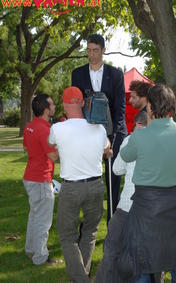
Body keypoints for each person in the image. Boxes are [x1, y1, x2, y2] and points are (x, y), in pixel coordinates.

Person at [116, 85, 176, 283]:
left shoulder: (139, 136)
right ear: (173, 106)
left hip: (147, 210)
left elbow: (125, 155)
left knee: (142, 266)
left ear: (150, 107)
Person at [47, 86, 111, 283]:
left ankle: (81, 279)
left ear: (65, 106)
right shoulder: (99, 128)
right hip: (96, 185)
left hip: (72, 187)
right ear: (83, 103)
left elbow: (51, 145)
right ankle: (82, 275)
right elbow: (107, 147)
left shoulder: (57, 128)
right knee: (90, 232)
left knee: (67, 237)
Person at [72, 33, 128, 223]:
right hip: (88, 132)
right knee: (87, 178)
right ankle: (87, 225)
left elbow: (120, 107)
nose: (92, 55)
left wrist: (112, 137)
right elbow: (76, 104)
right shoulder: (77, 73)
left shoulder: (115, 74)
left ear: (103, 50)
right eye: (88, 51)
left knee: (113, 179)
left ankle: (112, 223)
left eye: (96, 51)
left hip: (113, 130)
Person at [95, 111, 148, 283]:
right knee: (149, 251)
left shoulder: (130, 139)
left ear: (138, 125)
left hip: (127, 205)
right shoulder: (161, 141)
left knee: (112, 247)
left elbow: (117, 169)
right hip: (150, 207)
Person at [23, 94, 60, 265]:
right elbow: (53, 156)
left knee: (34, 215)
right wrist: (63, 145)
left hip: (30, 176)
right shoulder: (44, 130)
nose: (54, 107)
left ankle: (31, 249)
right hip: (40, 179)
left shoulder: (30, 126)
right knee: (43, 221)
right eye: (52, 105)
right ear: (46, 110)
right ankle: (40, 257)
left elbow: (25, 147)